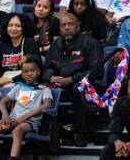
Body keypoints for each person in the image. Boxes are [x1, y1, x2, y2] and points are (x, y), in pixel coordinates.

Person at [43, 11, 104, 148]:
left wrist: (71, 79)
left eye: (70, 24)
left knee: (77, 89)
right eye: (63, 25)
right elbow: (46, 68)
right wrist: (51, 77)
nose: (66, 27)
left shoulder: (90, 43)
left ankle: (80, 134)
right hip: (59, 83)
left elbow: (97, 72)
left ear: (78, 26)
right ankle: (48, 134)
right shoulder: (56, 44)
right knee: (40, 88)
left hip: (84, 85)